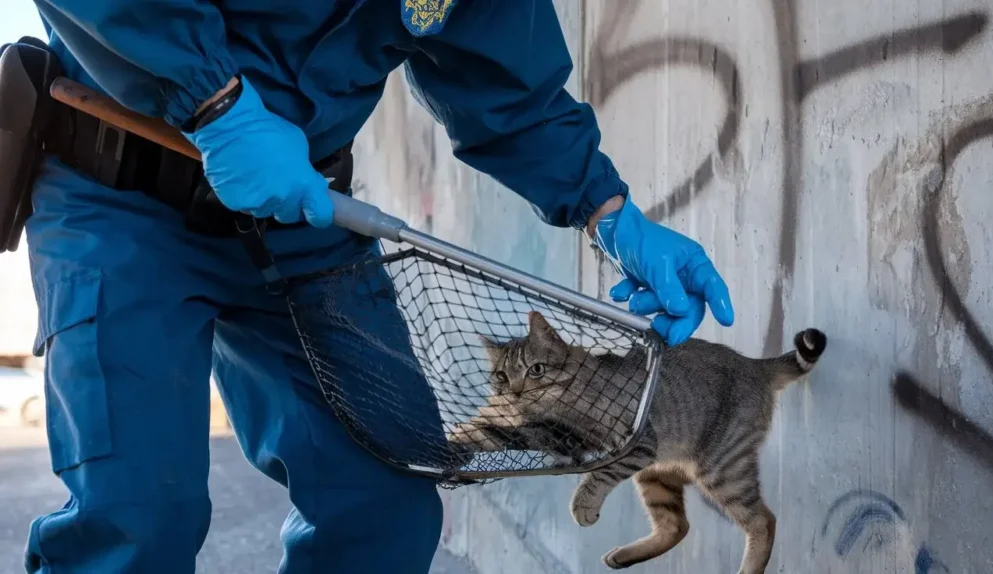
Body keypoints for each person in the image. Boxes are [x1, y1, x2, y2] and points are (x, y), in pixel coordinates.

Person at [22, 1, 734, 572]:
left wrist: (608, 214)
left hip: (305, 215)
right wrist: (214, 102)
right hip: (120, 197)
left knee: (383, 505)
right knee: (137, 517)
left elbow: (507, 83)